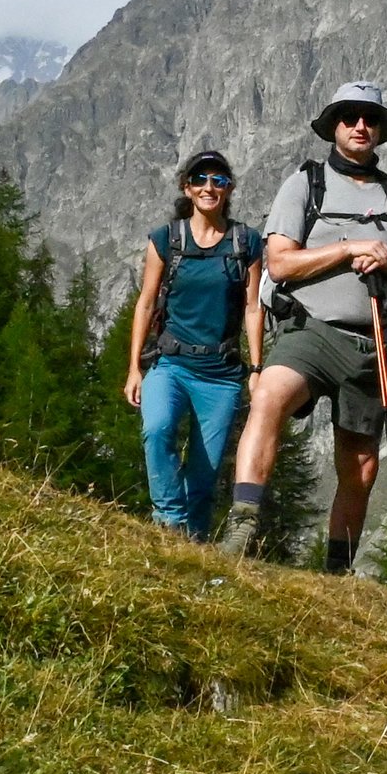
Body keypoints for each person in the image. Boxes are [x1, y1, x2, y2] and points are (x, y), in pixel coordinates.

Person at [217, 83, 387, 569]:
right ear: (333, 125)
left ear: (380, 130)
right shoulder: (304, 183)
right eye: (350, 117)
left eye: (370, 119)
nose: (361, 127)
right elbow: (280, 263)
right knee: (269, 396)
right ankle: (244, 525)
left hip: (373, 340)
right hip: (309, 329)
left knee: (360, 462)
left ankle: (337, 568)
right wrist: (349, 248)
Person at [124, 150, 264, 539]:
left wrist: (256, 368)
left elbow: (254, 307)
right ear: (187, 187)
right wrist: (135, 367)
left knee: (205, 473)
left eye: (219, 180)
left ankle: (195, 544)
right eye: (200, 179)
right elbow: (146, 302)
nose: (209, 187)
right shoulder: (165, 240)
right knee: (158, 429)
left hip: (221, 375)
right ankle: (168, 524)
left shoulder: (247, 242)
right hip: (170, 364)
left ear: (229, 189)